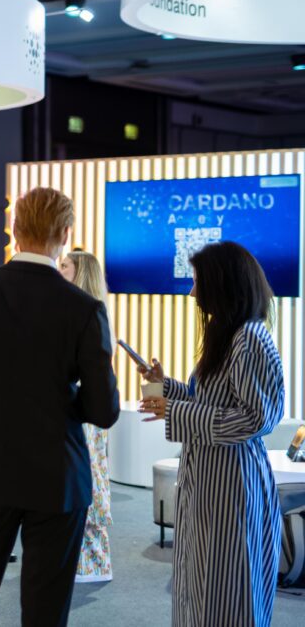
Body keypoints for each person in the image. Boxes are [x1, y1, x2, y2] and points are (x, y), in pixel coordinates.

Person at [0, 187, 120, 626]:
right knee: (45, 604)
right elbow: (103, 410)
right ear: (66, 234)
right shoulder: (85, 309)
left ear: (14, 230)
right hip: (57, 475)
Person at [138, 241, 284, 627]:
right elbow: (212, 400)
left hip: (231, 486)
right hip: (210, 483)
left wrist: (178, 410)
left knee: (229, 591)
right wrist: (166, 388)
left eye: (198, 281)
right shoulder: (231, 334)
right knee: (205, 585)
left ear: (224, 283)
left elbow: (255, 418)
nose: (192, 292)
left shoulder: (249, 338)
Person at [60, 250, 115, 583]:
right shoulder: (82, 309)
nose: (59, 269)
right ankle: (85, 561)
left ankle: (92, 563)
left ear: (80, 273)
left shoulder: (85, 312)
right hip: (81, 409)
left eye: (65, 266)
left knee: (89, 478)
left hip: (85, 410)